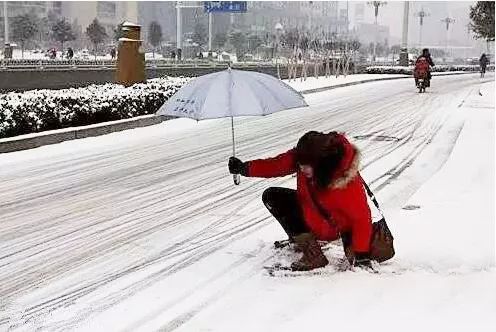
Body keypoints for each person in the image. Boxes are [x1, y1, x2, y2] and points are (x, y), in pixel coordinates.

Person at [228, 131, 373, 271]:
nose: (302, 169)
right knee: (273, 196)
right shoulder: (305, 156)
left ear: (322, 163)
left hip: (333, 226)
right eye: (300, 164)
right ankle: (308, 246)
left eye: (307, 165)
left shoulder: (345, 181)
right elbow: (276, 165)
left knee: (351, 239)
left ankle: (314, 255)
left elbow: (361, 218)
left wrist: (361, 255)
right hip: (311, 212)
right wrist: (244, 168)